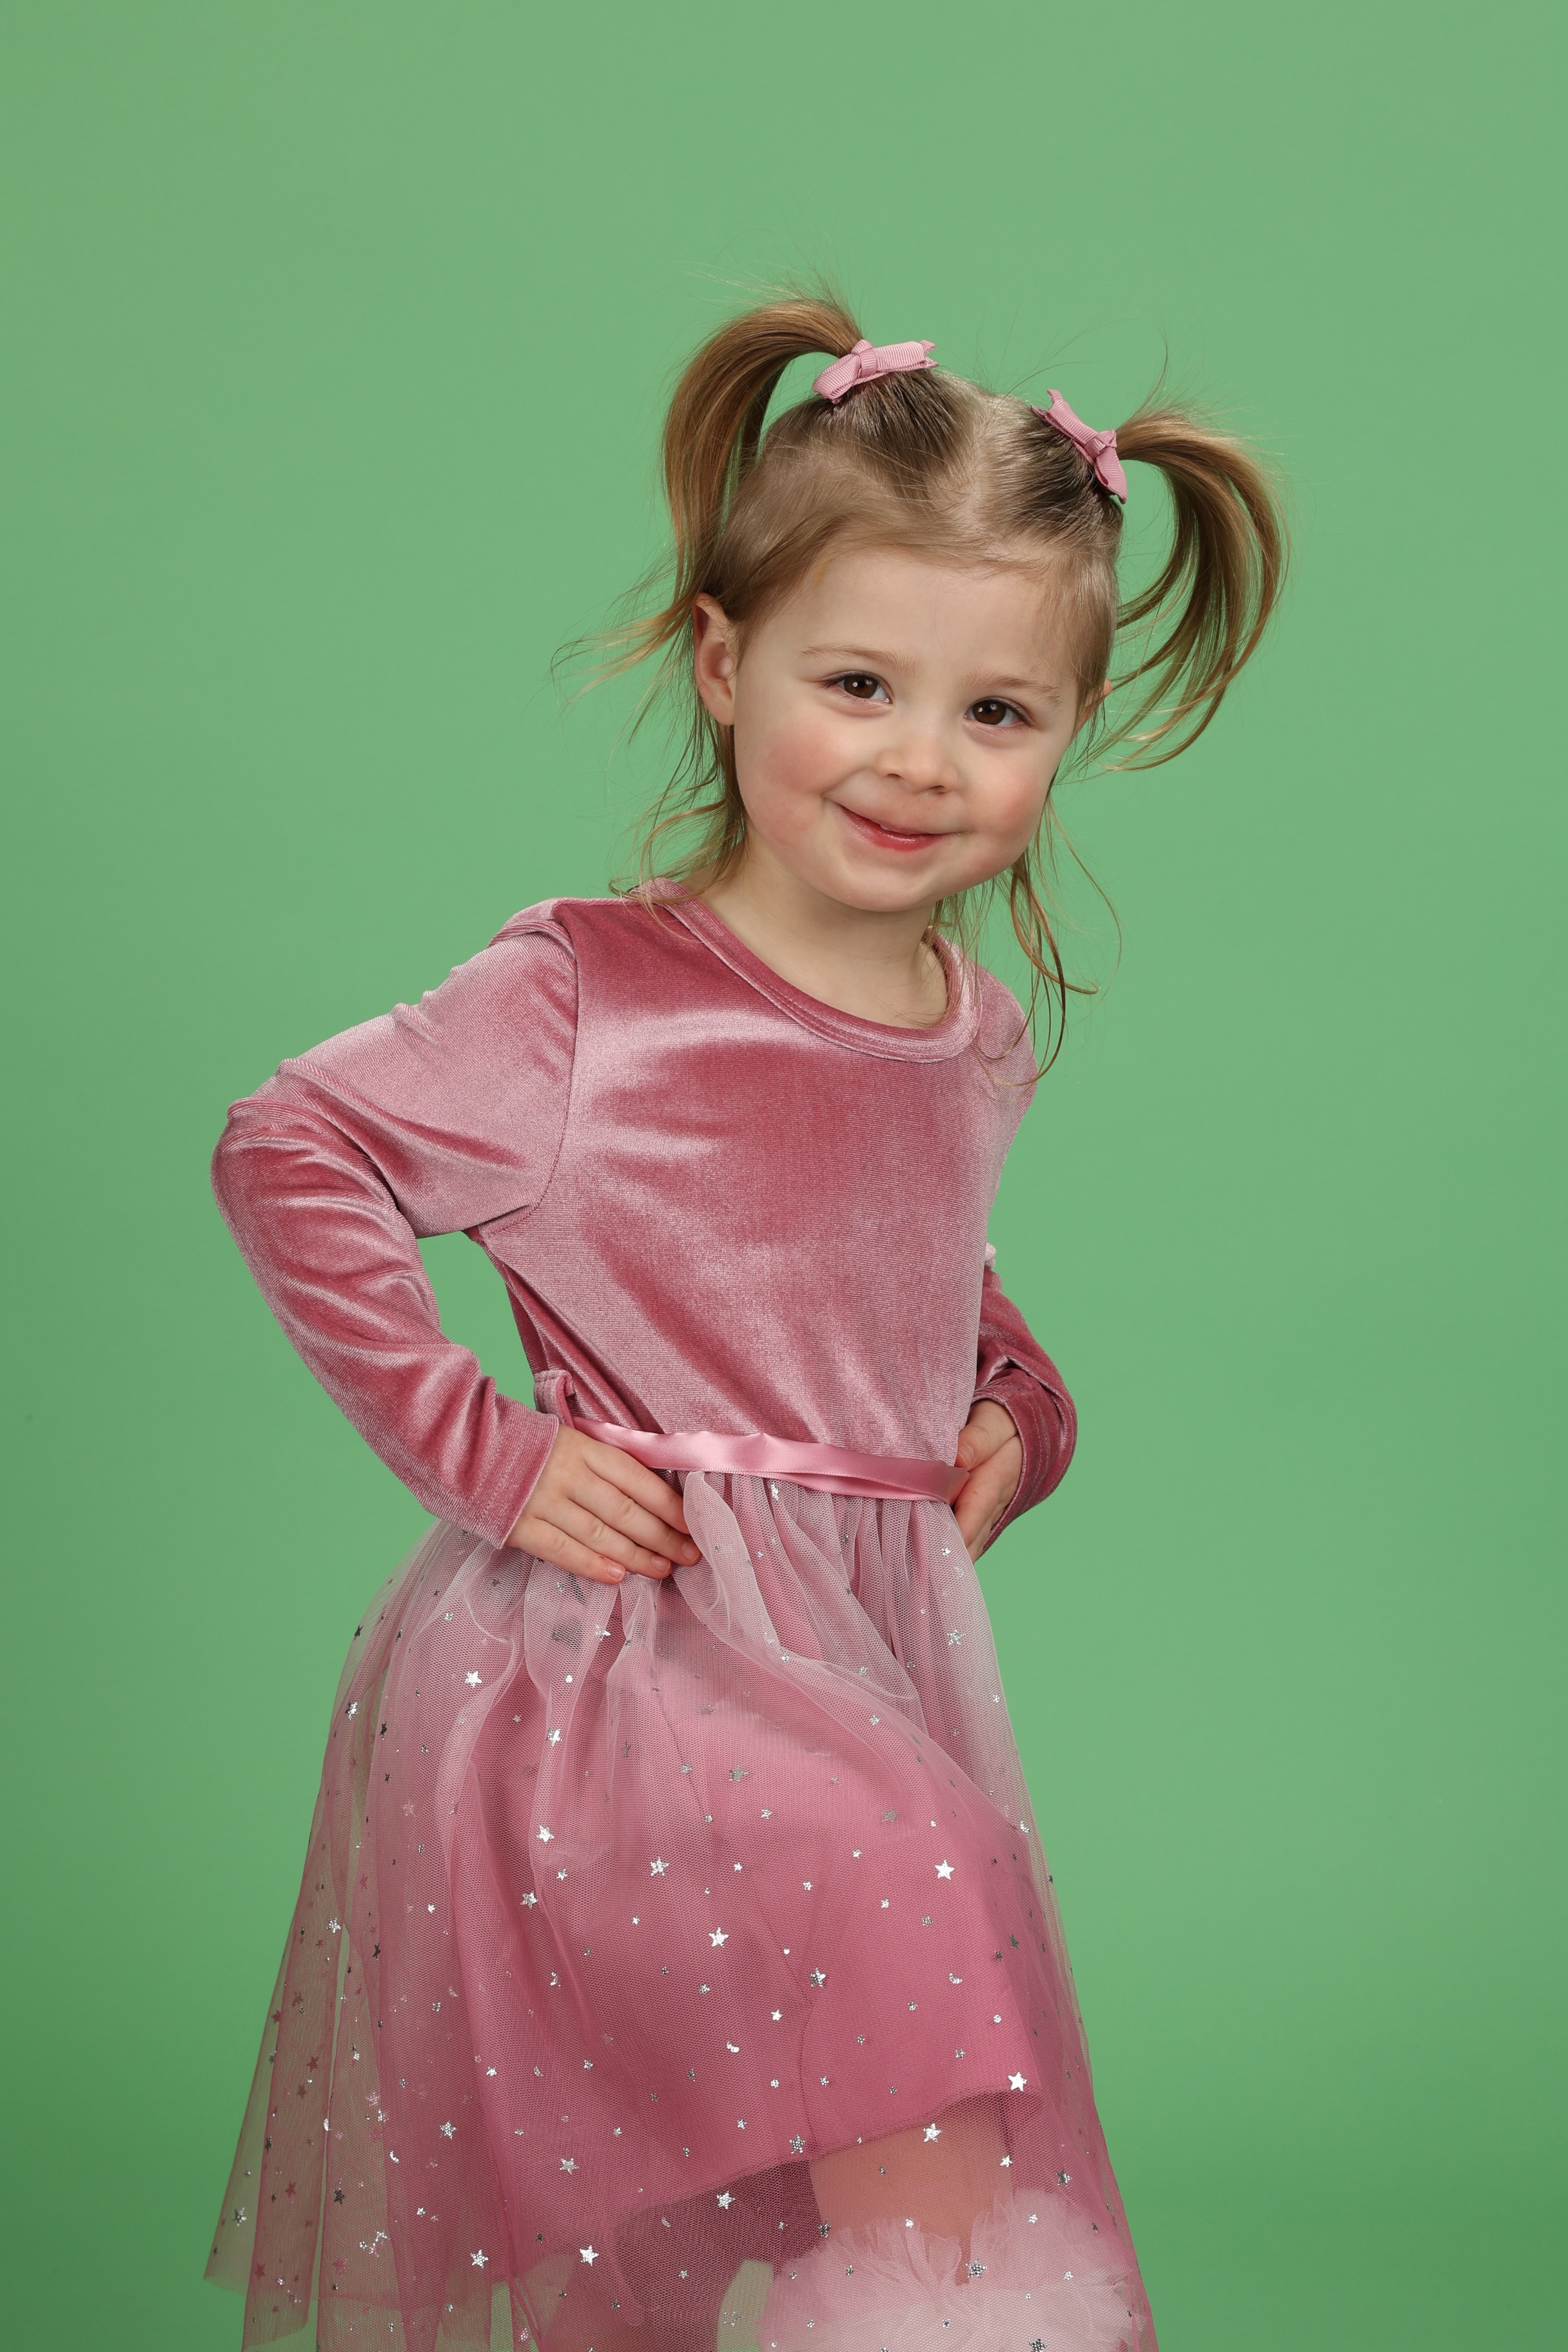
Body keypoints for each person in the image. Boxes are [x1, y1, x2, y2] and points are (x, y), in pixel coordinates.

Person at [205, 293, 1284, 2352]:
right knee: (908, 1881)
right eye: (858, 682)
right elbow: (294, 1146)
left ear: (1072, 726)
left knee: (712, 2188)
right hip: (621, 1654)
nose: (918, 758)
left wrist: (1021, 1400)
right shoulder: (590, 995)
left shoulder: (973, 1030)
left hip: (850, 1636)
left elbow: (910, 1272)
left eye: (998, 711)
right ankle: (945, 2318)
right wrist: (485, 1447)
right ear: (725, 665)